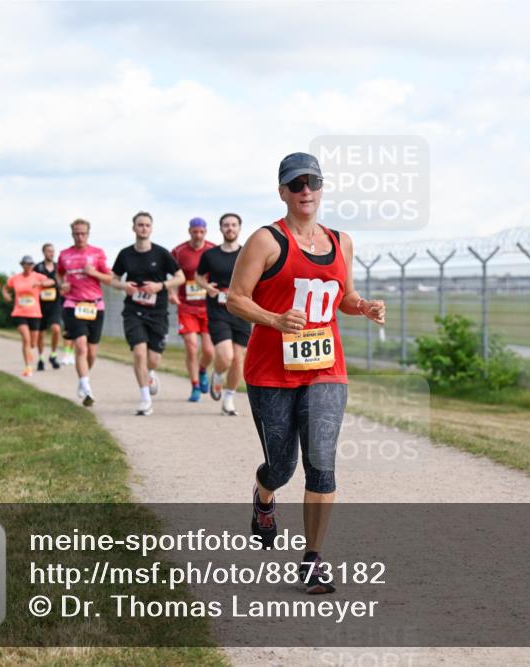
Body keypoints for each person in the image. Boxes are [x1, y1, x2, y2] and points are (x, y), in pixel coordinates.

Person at [226, 152, 385, 594]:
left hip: (325, 369)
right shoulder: (265, 241)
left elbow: (344, 295)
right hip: (271, 371)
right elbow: (235, 299)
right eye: (295, 184)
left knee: (321, 463)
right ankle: (264, 496)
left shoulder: (341, 241)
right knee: (281, 466)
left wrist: (364, 306)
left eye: (312, 182)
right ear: (282, 192)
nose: (305, 191)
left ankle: (313, 560)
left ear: (322, 187)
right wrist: (275, 320)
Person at [102, 212, 185, 416]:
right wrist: (124, 286)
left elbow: (180, 277)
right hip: (133, 310)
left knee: (153, 358)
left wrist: (160, 285)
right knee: (139, 352)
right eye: (140, 225)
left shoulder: (162, 254)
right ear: (134, 228)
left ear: (151, 228)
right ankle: (145, 398)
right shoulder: (125, 254)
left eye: (147, 225)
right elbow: (112, 279)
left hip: (158, 311)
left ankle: (151, 372)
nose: (143, 228)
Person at [195, 212, 251, 416]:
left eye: (233, 225)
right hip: (218, 310)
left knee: (238, 359)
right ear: (220, 229)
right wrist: (206, 286)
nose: (230, 228)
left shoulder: (248, 253)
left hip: (243, 311)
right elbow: (198, 276)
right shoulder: (210, 255)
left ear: (239, 228)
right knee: (226, 356)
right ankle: (217, 375)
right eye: (226, 225)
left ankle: (228, 399)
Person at [57, 218, 111, 406]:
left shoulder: (97, 253)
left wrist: (94, 273)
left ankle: (83, 379)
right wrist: (62, 285)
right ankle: (86, 387)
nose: (80, 236)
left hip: (95, 305)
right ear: (72, 234)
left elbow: (109, 278)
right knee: (80, 345)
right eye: (76, 233)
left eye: (83, 233)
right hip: (73, 304)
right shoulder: (64, 255)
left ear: (88, 234)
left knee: (91, 352)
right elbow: (59, 273)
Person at [171, 217, 216, 402]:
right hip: (186, 305)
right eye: (195, 231)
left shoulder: (213, 250)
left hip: (207, 306)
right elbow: (172, 275)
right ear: (189, 231)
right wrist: (172, 293)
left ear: (205, 232)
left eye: (201, 232)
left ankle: (203, 369)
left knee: (209, 351)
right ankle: (195, 385)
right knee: (191, 347)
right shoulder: (179, 251)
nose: (198, 235)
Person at [2, 255, 54, 377]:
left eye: (30, 264)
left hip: (35, 313)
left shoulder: (37, 276)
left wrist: (40, 283)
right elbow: (5, 287)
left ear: (33, 265)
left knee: (33, 343)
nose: (28, 266)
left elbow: (51, 281)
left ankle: (30, 353)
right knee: (26, 339)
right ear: (22, 265)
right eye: (26, 263)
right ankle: (28, 367)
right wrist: (5, 295)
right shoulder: (15, 278)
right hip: (19, 312)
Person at [33, 243, 64, 371]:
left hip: (55, 303)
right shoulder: (37, 267)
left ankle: (53, 354)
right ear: (43, 252)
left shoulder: (58, 268)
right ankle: (40, 358)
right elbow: (32, 282)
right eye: (48, 251)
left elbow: (62, 281)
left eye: (52, 251)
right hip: (40, 304)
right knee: (41, 334)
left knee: (56, 329)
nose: (51, 253)